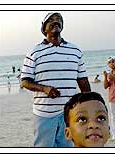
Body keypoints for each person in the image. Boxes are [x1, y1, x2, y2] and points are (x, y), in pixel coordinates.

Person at [20, 12, 91, 147]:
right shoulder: (34, 52)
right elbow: (25, 81)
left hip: (69, 113)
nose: (56, 21)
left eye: (59, 19)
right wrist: (44, 89)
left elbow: (83, 82)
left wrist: (88, 106)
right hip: (44, 114)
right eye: (51, 20)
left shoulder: (75, 51)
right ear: (44, 27)